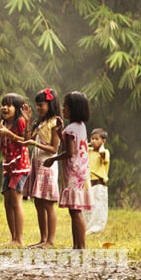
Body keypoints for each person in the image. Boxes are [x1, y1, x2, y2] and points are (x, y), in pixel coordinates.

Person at [44, 91, 91, 249]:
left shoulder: (71, 129)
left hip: (74, 176)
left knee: (76, 212)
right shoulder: (80, 127)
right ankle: (76, 246)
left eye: (66, 106)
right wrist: (59, 132)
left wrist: (53, 159)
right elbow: (72, 147)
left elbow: (69, 152)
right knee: (74, 211)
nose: (63, 108)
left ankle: (81, 247)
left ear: (74, 109)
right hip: (81, 174)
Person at [18, 89, 62, 248]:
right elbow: (27, 139)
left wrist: (34, 144)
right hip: (36, 165)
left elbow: (54, 149)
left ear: (50, 104)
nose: (38, 108)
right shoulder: (40, 122)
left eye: (41, 105)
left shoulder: (55, 122)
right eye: (37, 105)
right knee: (38, 203)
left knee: (48, 204)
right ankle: (43, 239)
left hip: (47, 166)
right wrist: (28, 121)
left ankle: (50, 240)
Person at [0, 93, 31, 247]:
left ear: (18, 109)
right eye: (3, 104)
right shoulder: (3, 124)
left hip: (20, 167)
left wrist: (8, 133)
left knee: (15, 201)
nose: (4, 108)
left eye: (9, 105)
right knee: (7, 202)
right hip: (8, 167)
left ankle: (19, 239)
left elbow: (25, 142)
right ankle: (13, 238)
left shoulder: (20, 122)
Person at [84, 128, 110, 234]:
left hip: (99, 184)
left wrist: (101, 146)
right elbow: (81, 148)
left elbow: (103, 154)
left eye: (97, 139)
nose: (94, 141)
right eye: (92, 139)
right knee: (87, 208)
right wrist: (89, 145)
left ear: (103, 141)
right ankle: (87, 228)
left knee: (99, 207)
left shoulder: (104, 152)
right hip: (88, 183)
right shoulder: (88, 151)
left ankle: (97, 228)